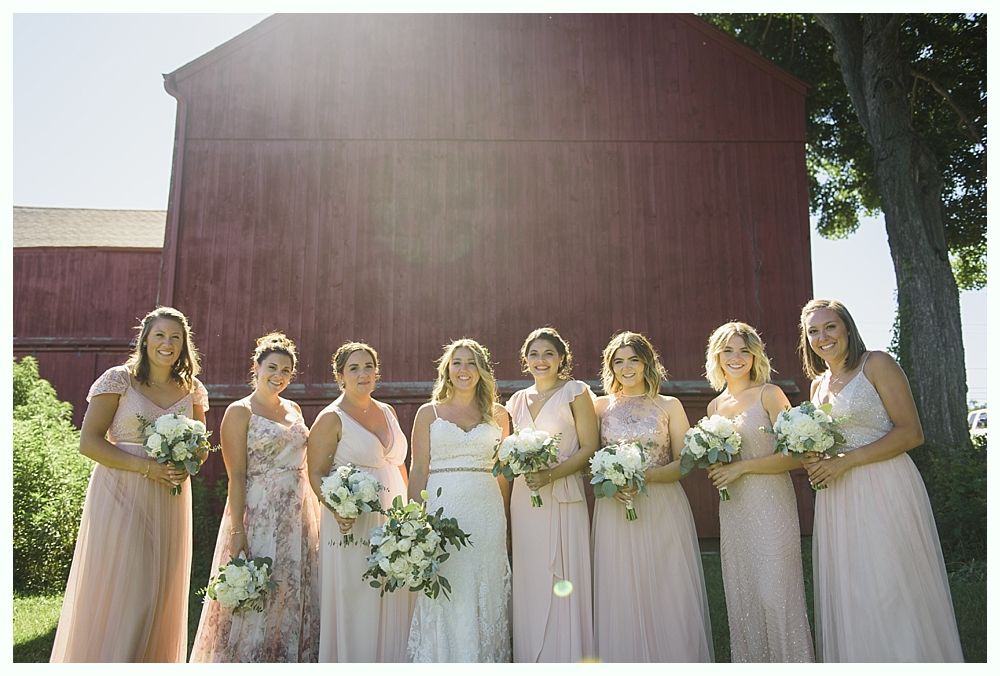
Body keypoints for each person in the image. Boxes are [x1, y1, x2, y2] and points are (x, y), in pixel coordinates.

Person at [800, 299, 963, 662]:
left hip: (884, 485)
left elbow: (911, 433)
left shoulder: (876, 364)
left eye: (830, 327)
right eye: (814, 330)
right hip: (838, 496)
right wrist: (815, 457)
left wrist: (847, 461)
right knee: (853, 587)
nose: (822, 336)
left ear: (847, 328)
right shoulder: (817, 386)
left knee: (890, 583)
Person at [50, 307, 208, 662]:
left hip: (169, 496)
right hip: (119, 489)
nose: (167, 343)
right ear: (145, 339)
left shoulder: (192, 389)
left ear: (184, 345)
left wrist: (189, 461)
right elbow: (89, 442)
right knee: (133, 588)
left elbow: (201, 447)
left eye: (175, 337)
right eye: (160, 335)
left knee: (160, 587)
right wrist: (145, 467)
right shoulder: (118, 379)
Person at [190, 332, 321, 661]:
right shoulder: (239, 411)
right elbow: (236, 475)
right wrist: (237, 530)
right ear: (256, 367)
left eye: (286, 371)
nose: (278, 377)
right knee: (259, 586)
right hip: (258, 511)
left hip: (299, 510)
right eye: (272, 368)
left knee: (293, 588)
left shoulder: (293, 408)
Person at [591, 331, 713, 662]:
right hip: (615, 507)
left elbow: (685, 462)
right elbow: (588, 453)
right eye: (619, 361)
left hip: (662, 503)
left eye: (633, 359)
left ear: (647, 363)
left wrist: (644, 478)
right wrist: (613, 481)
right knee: (622, 588)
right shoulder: (599, 406)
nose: (626, 367)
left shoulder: (669, 405)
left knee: (666, 587)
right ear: (610, 367)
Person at [703, 322, 814, 662]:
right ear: (717, 356)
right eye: (728, 351)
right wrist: (717, 464)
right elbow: (721, 459)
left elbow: (796, 454)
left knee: (775, 593)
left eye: (744, 351)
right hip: (735, 510)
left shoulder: (770, 394)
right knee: (744, 594)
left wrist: (742, 467)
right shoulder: (714, 408)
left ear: (755, 356)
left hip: (771, 504)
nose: (736, 358)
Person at [406, 338, 512, 662]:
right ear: (447, 370)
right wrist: (413, 522)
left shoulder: (500, 415)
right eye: (457, 363)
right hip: (443, 508)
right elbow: (419, 468)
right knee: (448, 586)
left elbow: (503, 473)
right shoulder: (429, 413)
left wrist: (505, 522)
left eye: (471, 363)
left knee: (486, 586)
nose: (463, 369)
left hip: (487, 512)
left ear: (481, 371)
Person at [307, 342, 412, 662]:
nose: (363, 373)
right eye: (354, 368)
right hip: (353, 519)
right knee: (358, 595)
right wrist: (338, 509)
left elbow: (399, 466)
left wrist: (409, 514)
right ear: (340, 376)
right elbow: (316, 473)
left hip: (392, 516)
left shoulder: (388, 411)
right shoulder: (331, 418)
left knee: (391, 587)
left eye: (368, 366)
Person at [506, 327, 596, 662]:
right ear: (525, 360)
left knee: (564, 575)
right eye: (534, 354)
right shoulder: (515, 400)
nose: (541, 361)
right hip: (524, 498)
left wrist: (551, 474)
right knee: (531, 575)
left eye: (548, 354)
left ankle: (569, 655)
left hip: (563, 493)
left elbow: (589, 447)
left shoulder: (575, 391)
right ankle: (532, 657)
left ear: (561, 359)